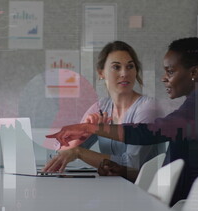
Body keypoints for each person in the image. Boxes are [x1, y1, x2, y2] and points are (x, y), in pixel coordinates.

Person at [47, 37, 198, 206]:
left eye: (170, 71)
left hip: (179, 208)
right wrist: (123, 171)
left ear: (194, 73)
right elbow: (167, 173)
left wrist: (91, 128)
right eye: (116, 67)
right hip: (173, 200)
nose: (163, 77)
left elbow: (147, 133)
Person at [43, 41, 163, 173]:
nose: (124, 73)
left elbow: (131, 164)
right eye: (116, 67)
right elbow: (62, 149)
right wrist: (85, 132)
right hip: (114, 185)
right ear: (101, 73)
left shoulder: (148, 108)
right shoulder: (101, 106)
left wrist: (79, 152)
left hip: (143, 190)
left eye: (130, 67)